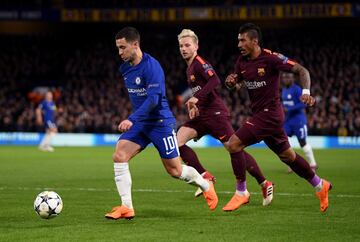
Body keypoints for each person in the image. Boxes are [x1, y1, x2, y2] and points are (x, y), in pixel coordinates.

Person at [105, 27, 218, 220]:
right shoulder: (124, 68)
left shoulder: (152, 66)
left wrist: (131, 118)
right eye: (118, 48)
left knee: (175, 170)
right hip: (142, 124)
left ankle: (206, 184)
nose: (120, 52)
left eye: (123, 47)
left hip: (160, 122)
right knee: (119, 155)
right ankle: (127, 207)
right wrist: (136, 119)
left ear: (135, 45)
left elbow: (154, 99)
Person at [223, 23, 331, 212]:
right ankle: (320, 185)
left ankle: (241, 192)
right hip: (260, 115)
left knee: (233, 144)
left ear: (254, 41)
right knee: (288, 156)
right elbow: (238, 83)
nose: (238, 44)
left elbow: (302, 70)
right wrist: (232, 83)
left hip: (270, 115)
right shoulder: (241, 61)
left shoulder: (271, 58)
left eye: (242, 40)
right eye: (238, 40)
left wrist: (305, 91)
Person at [177, 29, 274, 206]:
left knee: (234, 148)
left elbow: (214, 81)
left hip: (215, 115)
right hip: (202, 115)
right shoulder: (189, 68)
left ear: (196, 46)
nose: (183, 48)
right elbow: (200, 91)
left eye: (187, 45)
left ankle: (263, 182)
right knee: (178, 142)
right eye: (181, 46)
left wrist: (196, 98)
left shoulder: (199, 63)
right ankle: (206, 176)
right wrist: (195, 106)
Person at [281, 72, 318, 172]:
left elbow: (304, 104)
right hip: (287, 121)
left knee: (302, 142)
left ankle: (313, 164)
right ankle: (291, 164)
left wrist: (290, 109)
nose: (285, 79)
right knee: (284, 142)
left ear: (292, 79)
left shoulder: (297, 89)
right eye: (284, 77)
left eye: (288, 77)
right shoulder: (284, 90)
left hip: (298, 120)